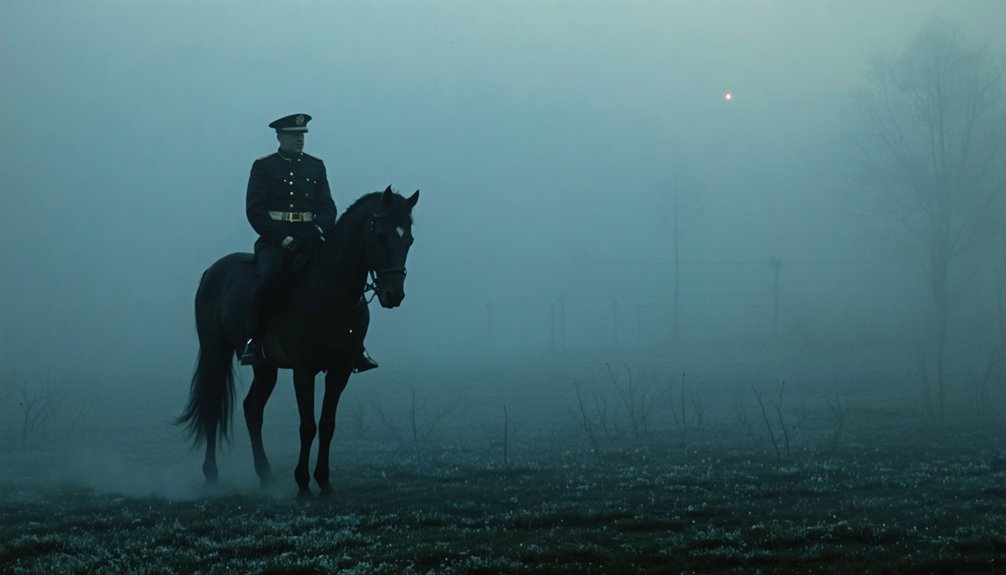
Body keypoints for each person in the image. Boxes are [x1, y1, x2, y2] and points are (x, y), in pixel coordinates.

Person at [239, 113, 378, 372]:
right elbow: (255, 211)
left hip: (311, 236)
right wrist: (283, 238)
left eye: (302, 135)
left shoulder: (316, 166)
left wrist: (320, 229)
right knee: (270, 276)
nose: (299, 140)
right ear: (279, 137)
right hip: (275, 240)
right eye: (293, 135)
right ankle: (254, 341)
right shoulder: (264, 167)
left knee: (342, 277)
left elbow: (327, 204)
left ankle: (355, 347)